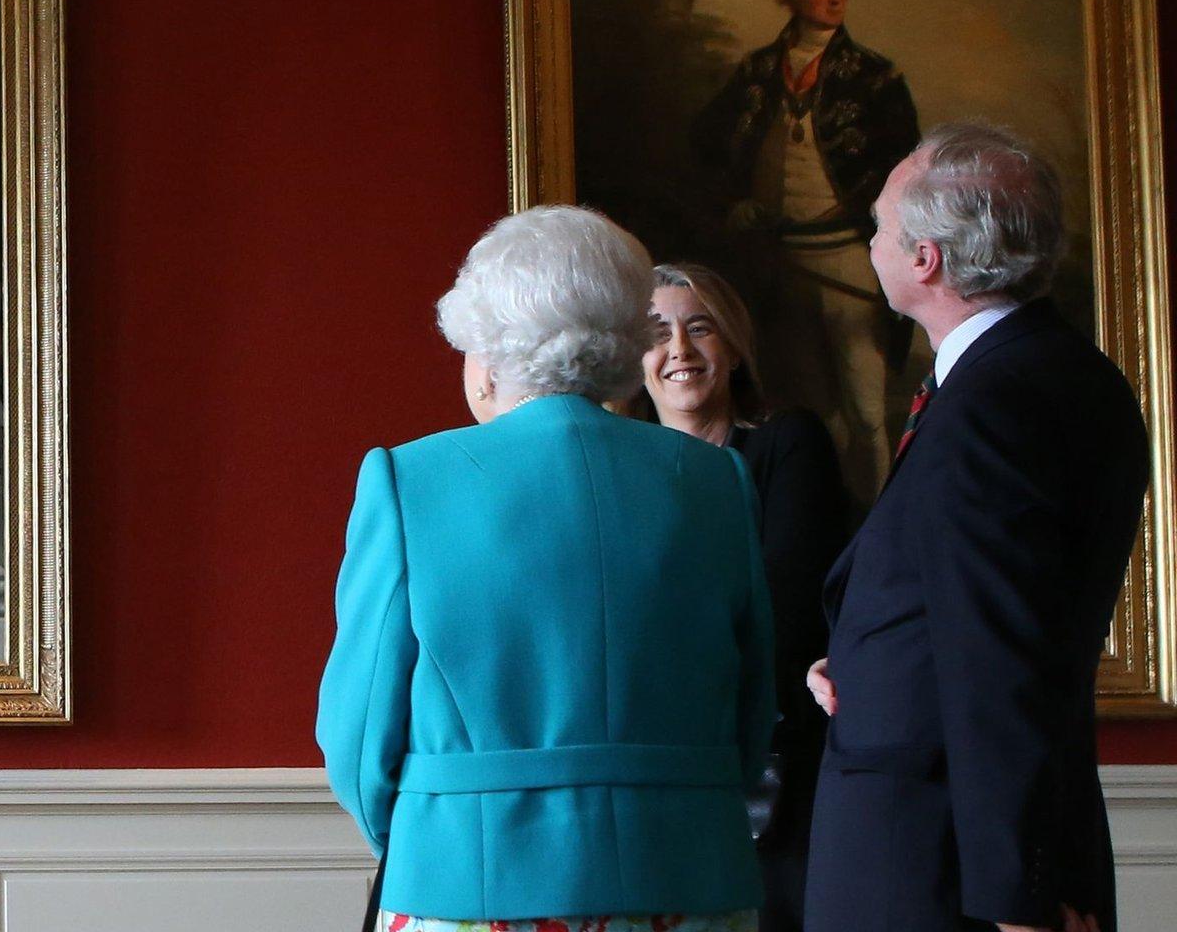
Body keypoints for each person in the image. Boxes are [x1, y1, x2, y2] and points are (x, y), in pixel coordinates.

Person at [318, 207, 773, 932]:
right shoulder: (716, 480)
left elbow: (361, 729)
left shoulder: (410, 481)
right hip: (690, 876)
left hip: (472, 878)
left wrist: (435, 833)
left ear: (489, 350)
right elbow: (751, 711)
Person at [804, 123, 1148, 932]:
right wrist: (866, 656)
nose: (872, 241)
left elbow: (1005, 657)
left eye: (881, 225)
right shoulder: (1044, 375)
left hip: (935, 866)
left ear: (925, 258)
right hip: (943, 846)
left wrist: (1019, 901)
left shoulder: (995, 404)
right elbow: (965, 609)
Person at [638, 262, 848, 932]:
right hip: (651, 768)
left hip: (773, 766)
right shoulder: (619, 469)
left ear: (731, 346)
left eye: (699, 328)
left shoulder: (788, 444)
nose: (680, 350)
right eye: (658, 332)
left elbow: (784, 609)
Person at [692, 0, 920, 506]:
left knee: (867, 412)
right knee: (803, 409)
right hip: (776, 265)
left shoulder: (875, 79)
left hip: (850, 259)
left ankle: (876, 521)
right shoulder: (758, 73)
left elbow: (908, 172)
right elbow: (707, 148)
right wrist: (734, 200)